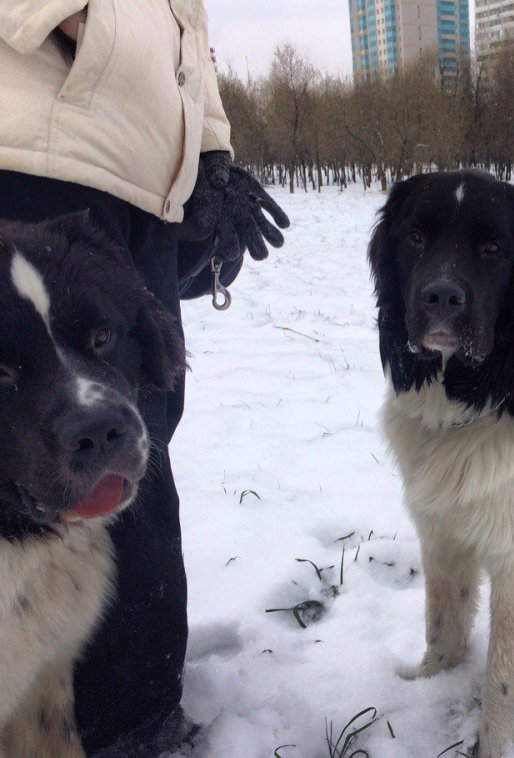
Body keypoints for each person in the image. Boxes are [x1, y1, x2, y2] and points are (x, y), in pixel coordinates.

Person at [0, 3, 289, 754]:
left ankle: (128, 716)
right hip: (35, 138)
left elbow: (186, 32)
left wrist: (213, 158)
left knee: (134, 447)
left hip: (150, 184)